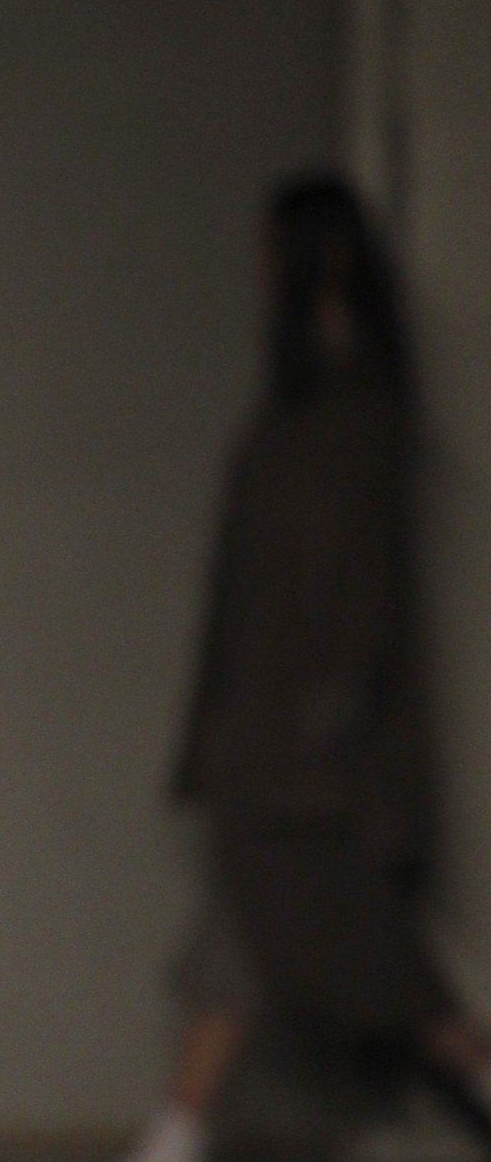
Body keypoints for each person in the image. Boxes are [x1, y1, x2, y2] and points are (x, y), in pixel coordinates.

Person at [120, 175, 491, 1162]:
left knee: (341, 959)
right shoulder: (310, 408)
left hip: (307, 768)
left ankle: (174, 1134)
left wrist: (317, 725)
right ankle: (175, 1132)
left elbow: (351, 595)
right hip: (279, 756)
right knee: (256, 949)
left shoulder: (345, 416)